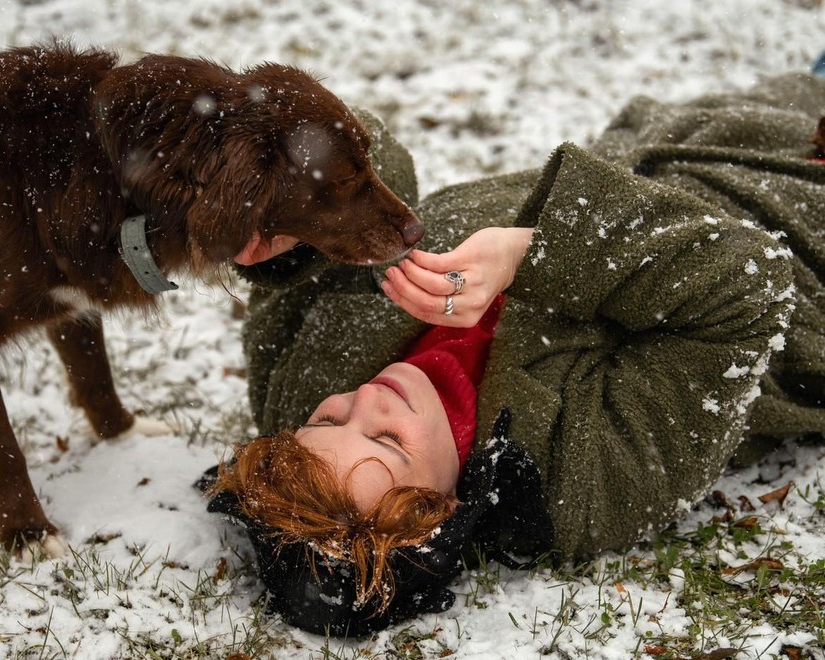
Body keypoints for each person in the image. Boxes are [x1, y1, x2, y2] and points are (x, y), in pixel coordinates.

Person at [200, 72, 825, 637]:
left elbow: (372, 171)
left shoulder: (293, 386)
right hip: (797, 213)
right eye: (387, 440)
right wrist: (532, 254)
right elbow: (748, 286)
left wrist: (278, 213)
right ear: (438, 514)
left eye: (328, 420)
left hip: (695, 128)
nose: (365, 399)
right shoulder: (578, 482)